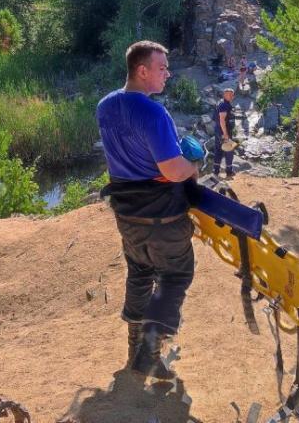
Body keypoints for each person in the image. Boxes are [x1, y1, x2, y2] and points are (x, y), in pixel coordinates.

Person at [96, 40, 199, 380]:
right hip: (162, 217)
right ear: (142, 71)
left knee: (140, 273)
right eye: (162, 68)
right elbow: (171, 170)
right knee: (175, 276)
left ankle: (134, 349)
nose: (167, 74)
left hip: (127, 216)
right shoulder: (154, 113)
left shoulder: (105, 106)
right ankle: (150, 356)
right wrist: (195, 164)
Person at [213, 87, 236, 178]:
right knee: (229, 150)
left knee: (218, 150)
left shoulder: (223, 104)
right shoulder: (224, 105)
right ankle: (229, 171)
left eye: (231, 94)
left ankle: (216, 170)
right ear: (224, 95)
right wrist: (225, 134)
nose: (230, 96)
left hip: (219, 131)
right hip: (223, 132)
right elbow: (222, 120)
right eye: (228, 94)